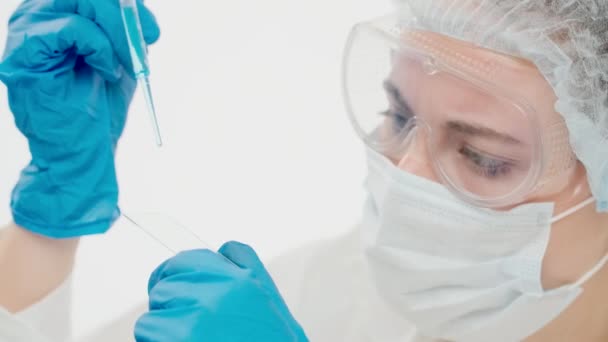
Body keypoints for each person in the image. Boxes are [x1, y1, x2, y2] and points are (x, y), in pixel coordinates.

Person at [1, 0, 608, 342]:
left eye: (484, 158)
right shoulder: (343, 295)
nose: (405, 177)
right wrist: (52, 219)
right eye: (397, 115)